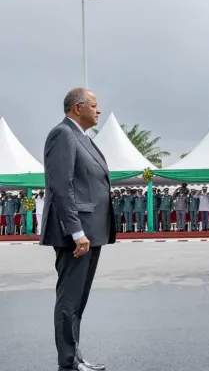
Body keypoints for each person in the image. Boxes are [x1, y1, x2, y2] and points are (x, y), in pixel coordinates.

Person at [42, 87, 115, 371]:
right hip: (78, 234)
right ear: (77, 107)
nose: (98, 111)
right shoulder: (63, 135)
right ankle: (68, 362)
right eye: (94, 106)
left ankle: (75, 357)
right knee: (69, 300)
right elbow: (61, 187)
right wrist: (76, 232)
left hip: (91, 231)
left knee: (78, 302)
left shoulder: (81, 137)